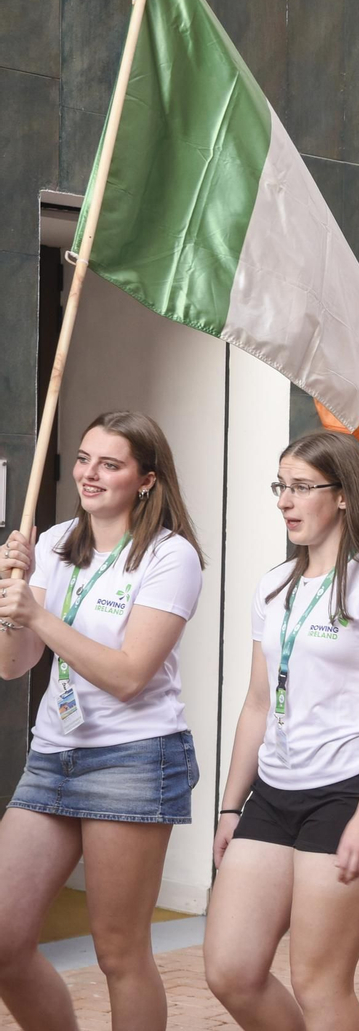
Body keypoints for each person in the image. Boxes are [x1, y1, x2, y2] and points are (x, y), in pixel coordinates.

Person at [205, 431, 359, 1029]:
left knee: (319, 983)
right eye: (281, 486)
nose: (285, 500)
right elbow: (256, 702)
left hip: (347, 793)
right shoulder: (274, 587)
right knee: (231, 970)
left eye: (302, 487)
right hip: (272, 794)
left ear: (344, 495)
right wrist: (229, 809)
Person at [0, 412, 204, 1030]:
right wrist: (12, 602)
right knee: (4, 940)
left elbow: (126, 675)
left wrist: (38, 615)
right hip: (54, 752)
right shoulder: (58, 543)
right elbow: (14, 667)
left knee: (119, 951)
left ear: (145, 479)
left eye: (110, 464)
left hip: (135, 758)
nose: (90, 473)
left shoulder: (171, 557)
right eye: (85, 458)